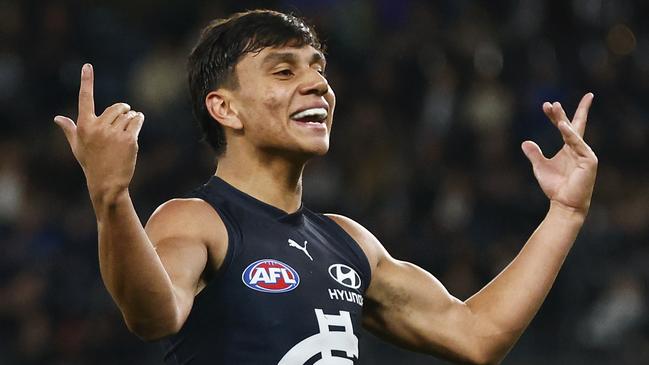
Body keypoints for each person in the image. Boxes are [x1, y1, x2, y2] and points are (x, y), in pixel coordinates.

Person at [53, 9, 598, 365]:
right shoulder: (195, 220)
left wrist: (564, 214)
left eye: (317, 70)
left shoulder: (348, 242)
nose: (317, 84)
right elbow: (154, 315)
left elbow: (478, 336)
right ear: (225, 107)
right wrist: (112, 199)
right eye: (284, 72)